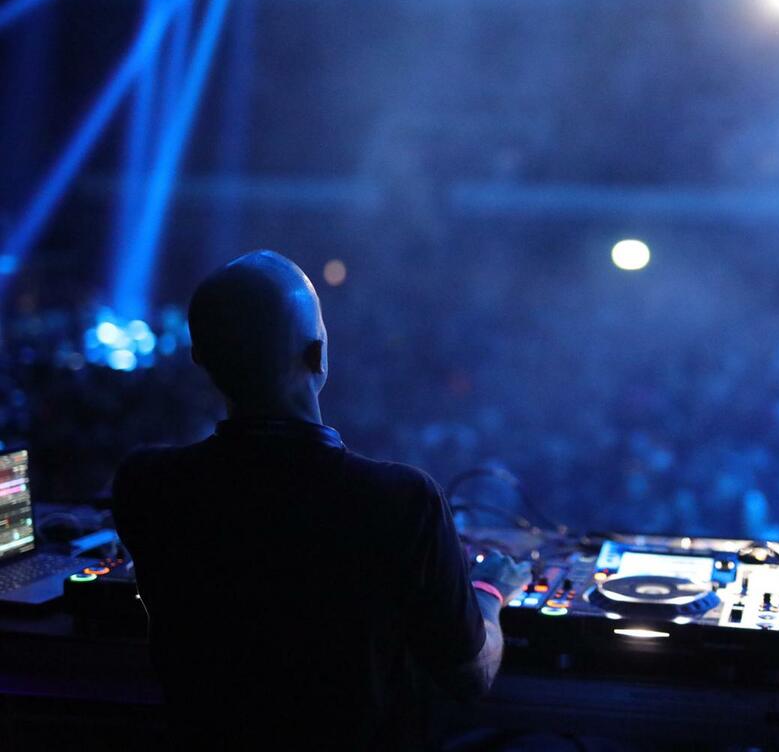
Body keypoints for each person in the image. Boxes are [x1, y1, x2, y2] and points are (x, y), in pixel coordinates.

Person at [112, 250, 531, 749]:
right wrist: (489, 592)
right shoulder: (403, 501)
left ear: (201, 359)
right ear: (318, 356)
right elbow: (470, 676)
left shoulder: (145, 483)